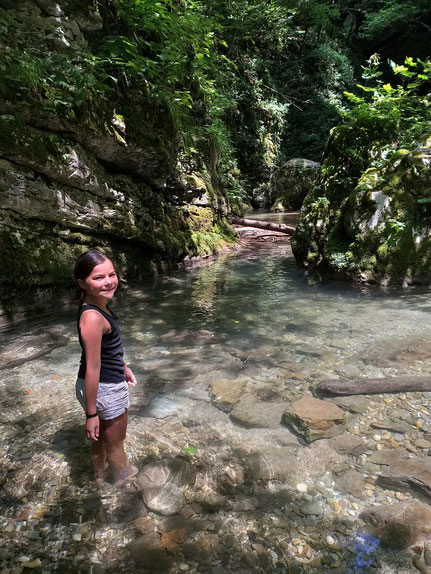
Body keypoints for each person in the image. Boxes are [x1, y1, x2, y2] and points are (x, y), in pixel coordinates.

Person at [74, 249, 137, 485]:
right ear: (82, 282)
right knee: (116, 446)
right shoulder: (92, 317)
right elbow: (93, 365)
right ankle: (125, 488)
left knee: (98, 440)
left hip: (96, 387)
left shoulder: (93, 306)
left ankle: (99, 478)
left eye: (111, 274)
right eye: (98, 277)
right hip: (105, 390)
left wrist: (122, 366)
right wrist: (91, 414)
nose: (108, 282)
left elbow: (104, 351)